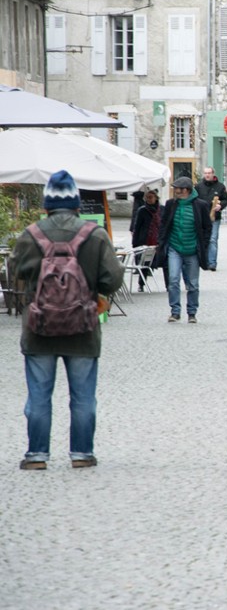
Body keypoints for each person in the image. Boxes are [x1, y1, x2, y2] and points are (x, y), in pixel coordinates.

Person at [12, 170, 124, 470]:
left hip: (39, 329)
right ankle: (81, 454)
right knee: (83, 396)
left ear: (46, 205)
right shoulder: (95, 235)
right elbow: (112, 279)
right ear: (77, 204)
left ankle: (36, 455)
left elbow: (16, 273)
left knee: (39, 395)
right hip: (83, 328)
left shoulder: (31, 234)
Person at [152, 176, 212, 323]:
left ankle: (192, 313)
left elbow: (207, 228)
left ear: (186, 190)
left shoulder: (201, 205)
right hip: (174, 248)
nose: (175, 191)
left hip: (192, 249)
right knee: (173, 280)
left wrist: (202, 246)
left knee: (192, 284)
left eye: (177, 189)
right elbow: (164, 225)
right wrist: (161, 242)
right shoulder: (171, 204)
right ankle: (175, 311)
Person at [195, 166, 227, 271]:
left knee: (213, 239)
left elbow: (226, 200)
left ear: (213, 174)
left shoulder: (220, 187)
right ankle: (203, 261)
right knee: (202, 239)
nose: (207, 175)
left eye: (209, 173)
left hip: (215, 217)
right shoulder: (198, 187)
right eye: (205, 173)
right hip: (201, 217)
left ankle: (212, 263)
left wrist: (221, 206)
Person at [131, 188, 164, 291]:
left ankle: (169, 285)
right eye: (147, 198)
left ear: (156, 198)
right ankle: (141, 284)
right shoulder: (142, 210)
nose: (149, 199)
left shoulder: (162, 209)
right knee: (145, 263)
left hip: (159, 239)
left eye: (151, 197)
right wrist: (135, 242)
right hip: (146, 240)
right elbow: (137, 227)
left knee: (165, 263)